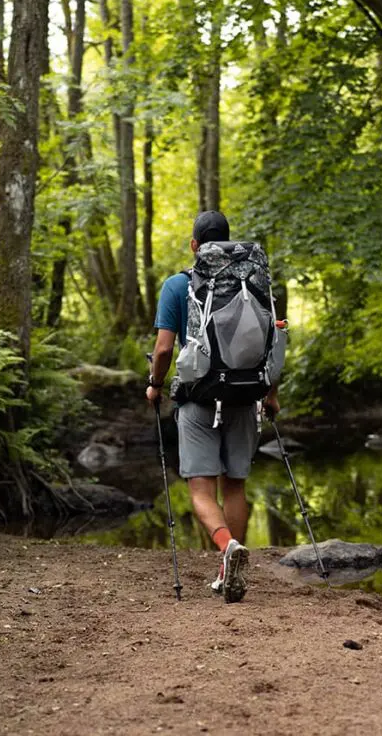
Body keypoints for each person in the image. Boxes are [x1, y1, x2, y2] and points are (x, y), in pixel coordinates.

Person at [146, 211, 279, 604]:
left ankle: (227, 550)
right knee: (234, 484)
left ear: (194, 246)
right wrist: (270, 395)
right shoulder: (253, 282)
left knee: (201, 489)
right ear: (226, 241)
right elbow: (273, 344)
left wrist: (155, 385)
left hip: (198, 397)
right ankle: (230, 564)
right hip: (245, 394)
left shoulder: (177, 286)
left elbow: (164, 348)